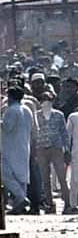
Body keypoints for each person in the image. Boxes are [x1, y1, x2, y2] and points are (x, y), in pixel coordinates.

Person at [34, 92, 71, 213]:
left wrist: (67, 150)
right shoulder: (36, 115)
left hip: (56, 148)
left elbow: (64, 133)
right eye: (44, 99)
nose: (46, 101)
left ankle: (67, 204)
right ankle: (50, 204)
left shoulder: (59, 115)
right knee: (45, 178)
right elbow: (33, 133)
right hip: (41, 148)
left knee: (62, 178)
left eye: (48, 99)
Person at [1, 86, 35, 214]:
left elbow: (7, 127)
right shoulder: (27, 109)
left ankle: (21, 197)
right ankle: (19, 206)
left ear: (11, 97)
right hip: (24, 146)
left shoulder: (11, 111)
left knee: (5, 174)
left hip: (10, 147)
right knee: (21, 176)